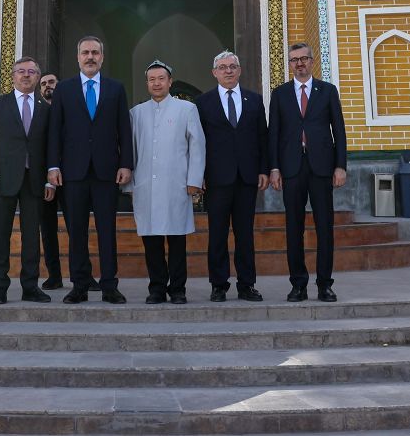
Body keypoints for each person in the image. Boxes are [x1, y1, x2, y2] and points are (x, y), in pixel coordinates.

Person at [47, 35, 133, 304]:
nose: (90, 57)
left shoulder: (116, 89)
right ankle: (80, 285)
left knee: (107, 230)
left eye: (95, 52)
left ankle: (109, 285)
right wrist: (53, 166)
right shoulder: (65, 89)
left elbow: (124, 130)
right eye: (85, 52)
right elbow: (55, 132)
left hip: (107, 171)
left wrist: (126, 164)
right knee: (77, 231)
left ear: (102, 57)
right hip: (73, 172)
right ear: (78, 57)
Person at [268, 42, 347, 303]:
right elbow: (274, 135)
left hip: (322, 168)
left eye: (303, 59)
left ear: (312, 61)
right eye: (294, 60)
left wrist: (340, 166)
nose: (299, 63)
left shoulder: (327, 91)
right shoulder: (279, 94)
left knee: (325, 227)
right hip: (291, 169)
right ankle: (298, 285)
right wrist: (275, 168)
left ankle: (325, 284)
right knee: (294, 228)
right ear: (289, 64)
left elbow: (339, 131)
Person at [129, 61, 205, 304]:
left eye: (161, 78)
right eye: (152, 79)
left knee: (176, 239)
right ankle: (157, 288)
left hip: (177, 186)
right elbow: (131, 151)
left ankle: (178, 289)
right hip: (146, 186)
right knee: (151, 241)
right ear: (147, 83)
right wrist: (129, 185)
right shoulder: (137, 113)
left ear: (169, 81)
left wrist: (194, 180)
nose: (157, 83)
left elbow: (197, 146)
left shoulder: (186, 109)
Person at [195, 51, 269, 302]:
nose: (228, 71)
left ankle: (247, 284)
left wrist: (263, 170)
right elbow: (198, 142)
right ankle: (218, 285)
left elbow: (262, 138)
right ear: (214, 72)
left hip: (247, 177)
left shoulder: (254, 100)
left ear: (239, 70)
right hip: (216, 179)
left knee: (245, 234)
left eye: (232, 66)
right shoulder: (203, 103)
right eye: (223, 67)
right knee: (217, 233)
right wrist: (199, 174)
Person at [0, 57, 54, 304]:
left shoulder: (45, 109)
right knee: (0, 235)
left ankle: (30, 286)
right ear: (12, 76)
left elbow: (49, 147)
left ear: (37, 77)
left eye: (31, 72)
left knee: (32, 236)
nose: (26, 76)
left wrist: (49, 181)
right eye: (21, 71)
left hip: (34, 181)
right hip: (2, 180)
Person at [37, 72, 65, 289]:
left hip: (71, 179)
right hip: (45, 181)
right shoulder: (37, 112)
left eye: (51, 82)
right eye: (44, 84)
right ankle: (54, 275)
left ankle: (83, 275)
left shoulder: (69, 109)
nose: (48, 86)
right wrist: (48, 180)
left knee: (77, 227)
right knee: (47, 229)